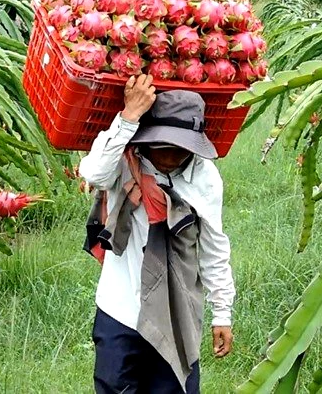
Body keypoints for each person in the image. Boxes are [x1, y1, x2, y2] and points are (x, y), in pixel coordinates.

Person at [79, 74, 236, 394]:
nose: (170, 157)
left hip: (176, 315)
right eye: (163, 147)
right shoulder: (123, 159)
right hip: (120, 311)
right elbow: (92, 172)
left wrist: (222, 312)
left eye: (180, 149)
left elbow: (213, 247)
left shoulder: (204, 178)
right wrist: (129, 116)